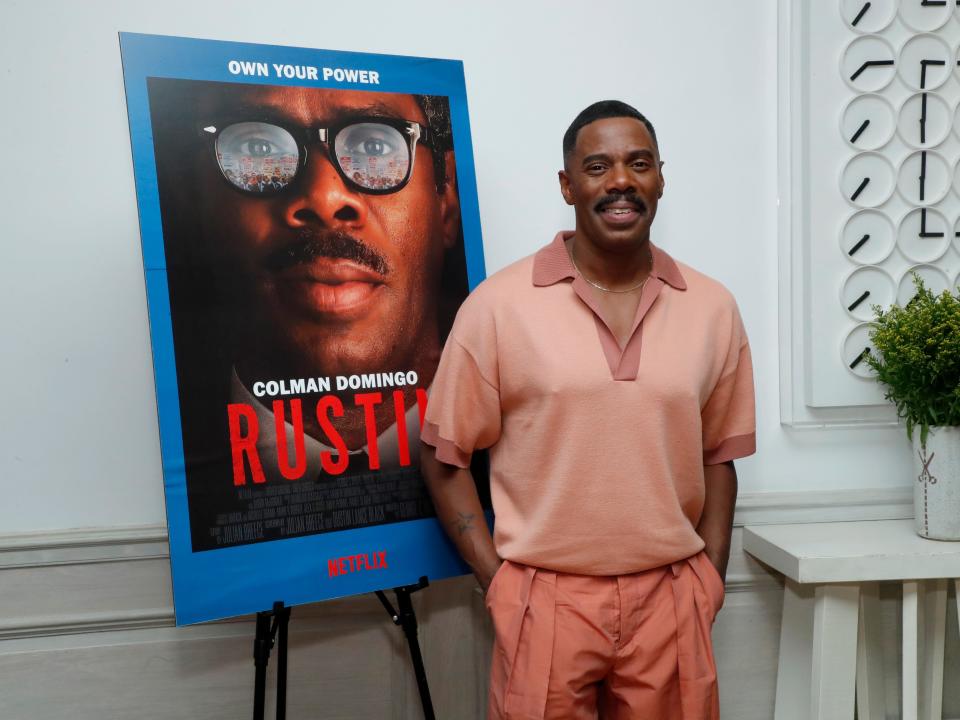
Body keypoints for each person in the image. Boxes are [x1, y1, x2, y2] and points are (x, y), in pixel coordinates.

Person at [421, 100, 755, 719]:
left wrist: (709, 578)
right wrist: (499, 582)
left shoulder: (713, 307)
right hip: (544, 600)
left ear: (660, 178)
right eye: (598, 166)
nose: (621, 181)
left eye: (639, 164)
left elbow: (720, 456)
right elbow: (444, 457)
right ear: (568, 185)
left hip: (672, 598)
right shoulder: (497, 306)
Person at [147, 78, 476, 549]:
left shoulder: (503, 434)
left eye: (376, 144)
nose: (324, 199)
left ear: (446, 204)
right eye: (259, 146)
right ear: (196, 201)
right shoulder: (185, 478)